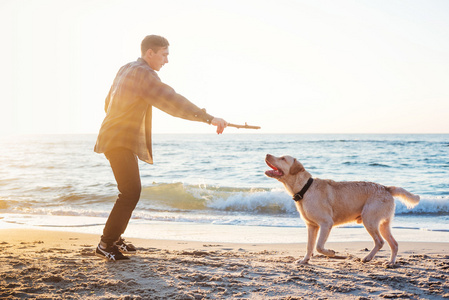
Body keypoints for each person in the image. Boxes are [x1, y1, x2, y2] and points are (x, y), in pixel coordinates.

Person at [93, 35, 227, 261]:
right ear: (150, 53)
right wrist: (208, 118)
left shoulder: (126, 68)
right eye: (164, 54)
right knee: (130, 192)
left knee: (130, 191)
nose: (166, 60)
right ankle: (106, 243)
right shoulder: (144, 74)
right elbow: (172, 101)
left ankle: (114, 239)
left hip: (114, 136)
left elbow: (107, 102)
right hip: (118, 140)